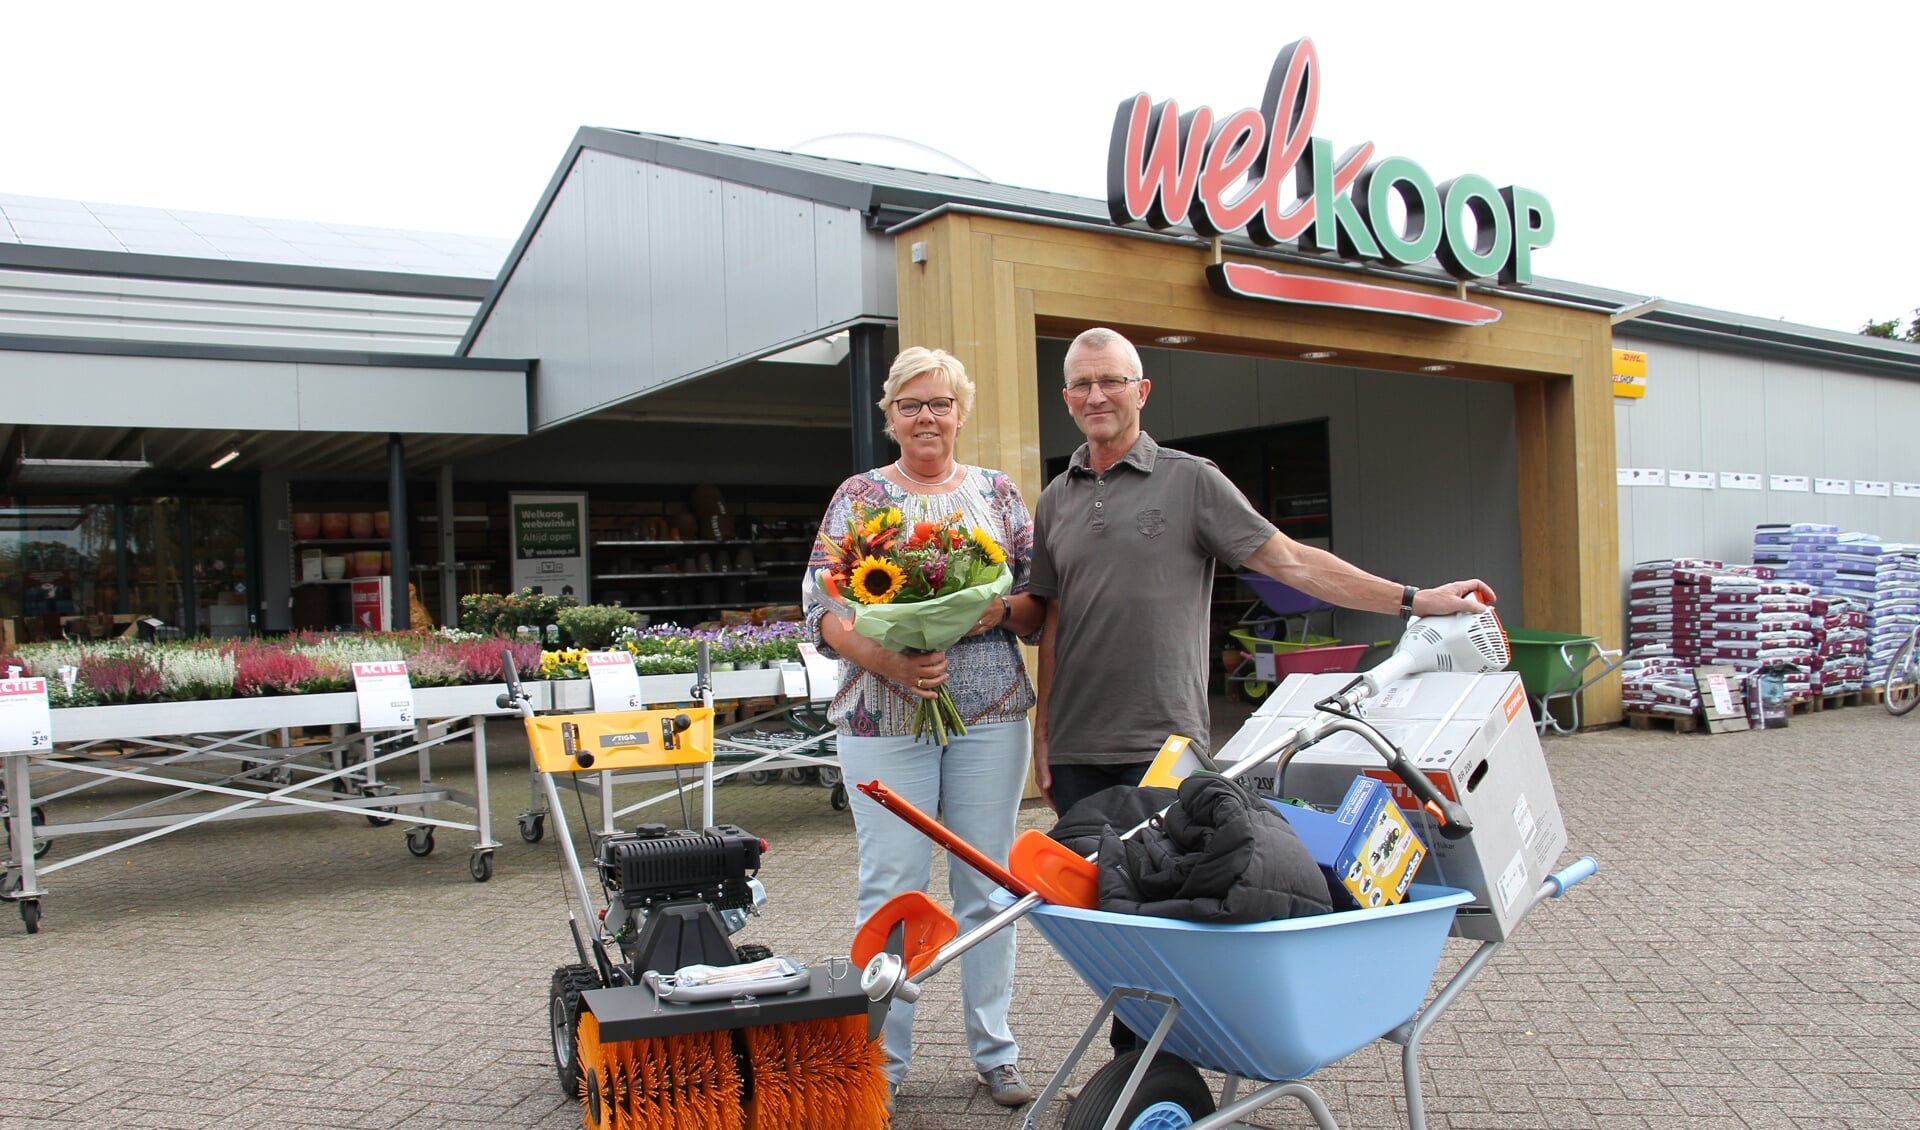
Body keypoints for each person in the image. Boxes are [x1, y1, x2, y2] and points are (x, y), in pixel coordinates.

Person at [1029, 326, 1497, 819]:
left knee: (1158, 886)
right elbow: (1056, 618)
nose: (1096, 396)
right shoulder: (1055, 499)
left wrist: (1414, 600)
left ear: (1141, 392)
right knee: (1081, 890)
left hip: (1162, 744)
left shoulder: (1191, 480)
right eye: (1082, 385)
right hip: (1075, 750)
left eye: (1112, 381)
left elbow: (1293, 562)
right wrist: (1044, 733)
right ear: (1066, 399)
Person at [802, 346, 1044, 1110]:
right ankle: (882, 1063)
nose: (927, 417)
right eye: (911, 404)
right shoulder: (859, 495)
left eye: (940, 403)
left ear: (961, 411)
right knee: (892, 885)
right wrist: (889, 661)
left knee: (988, 882)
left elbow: (1038, 603)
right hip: (882, 714)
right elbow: (822, 604)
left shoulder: (998, 495)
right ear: (891, 416)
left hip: (989, 711)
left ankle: (996, 1052)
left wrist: (988, 608)